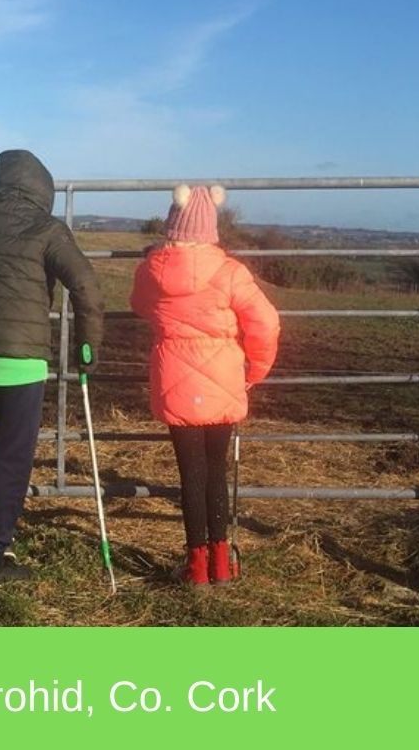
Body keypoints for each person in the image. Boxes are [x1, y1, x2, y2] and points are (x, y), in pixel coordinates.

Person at [0, 149, 104, 591]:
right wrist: (88, 345)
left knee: (5, 447)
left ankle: (4, 539)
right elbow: (85, 284)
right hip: (23, 362)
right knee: (12, 460)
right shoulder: (47, 229)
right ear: (42, 189)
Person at [130, 185, 279, 587]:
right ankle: (222, 564)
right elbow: (265, 322)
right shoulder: (231, 272)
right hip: (224, 381)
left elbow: (138, 304)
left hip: (175, 383)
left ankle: (196, 567)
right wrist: (256, 369)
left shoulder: (151, 271)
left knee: (191, 476)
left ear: (172, 223)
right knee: (217, 471)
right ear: (211, 227)